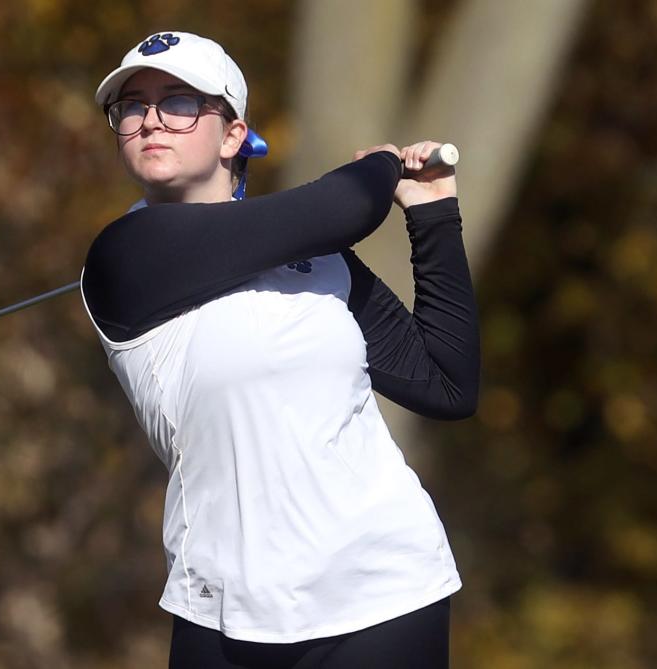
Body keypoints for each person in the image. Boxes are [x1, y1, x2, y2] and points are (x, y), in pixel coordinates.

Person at [82, 30, 479, 668]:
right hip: (220, 610)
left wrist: (433, 218)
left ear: (234, 135)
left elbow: (448, 385)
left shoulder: (320, 260)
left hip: (386, 594)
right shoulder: (125, 256)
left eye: (179, 102)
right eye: (132, 106)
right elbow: (348, 203)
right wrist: (381, 163)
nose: (151, 120)